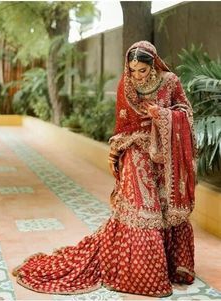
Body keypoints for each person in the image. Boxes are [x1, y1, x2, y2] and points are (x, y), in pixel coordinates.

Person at [12, 41, 196, 297]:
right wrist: (120, 151)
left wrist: (164, 116)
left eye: (142, 70)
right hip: (134, 152)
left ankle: (169, 267)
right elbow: (122, 127)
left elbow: (185, 112)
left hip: (164, 157)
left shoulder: (170, 81)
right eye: (132, 70)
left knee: (164, 211)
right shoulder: (126, 85)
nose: (136, 76)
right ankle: (141, 277)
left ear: (153, 65)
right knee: (144, 213)